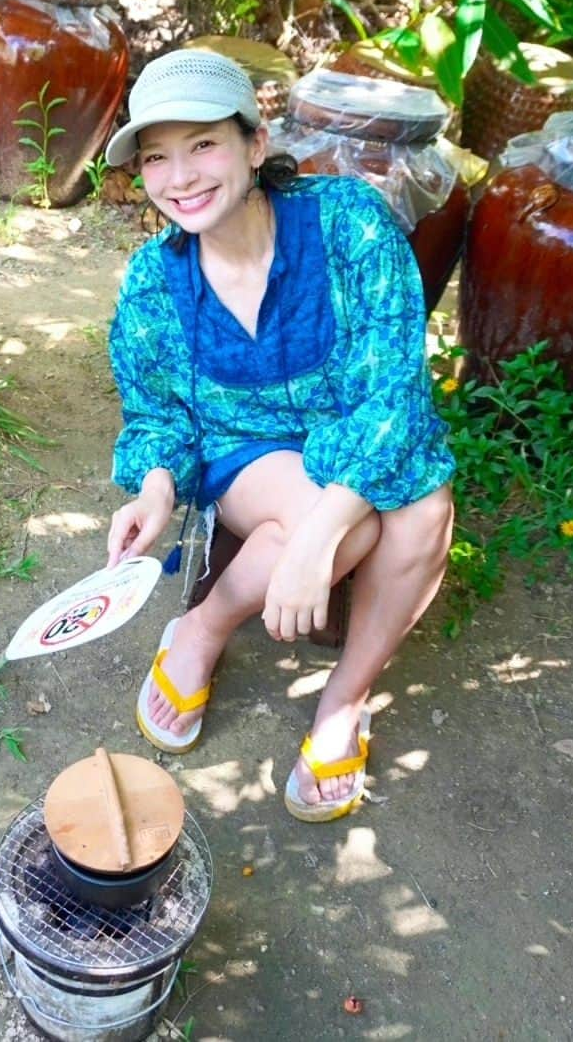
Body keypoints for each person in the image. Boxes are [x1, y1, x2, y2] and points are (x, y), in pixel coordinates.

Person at [103, 49, 455, 822]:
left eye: (204, 145)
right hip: (246, 450)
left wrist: (314, 546)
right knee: (329, 519)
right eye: (157, 157)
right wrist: (156, 488)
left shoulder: (350, 225)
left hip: (360, 425)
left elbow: (394, 384)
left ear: (255, 145)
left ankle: (342, 700)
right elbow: (158, 413)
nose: (181, 177)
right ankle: (203, 627)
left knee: (423, 510)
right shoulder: (155, 281)